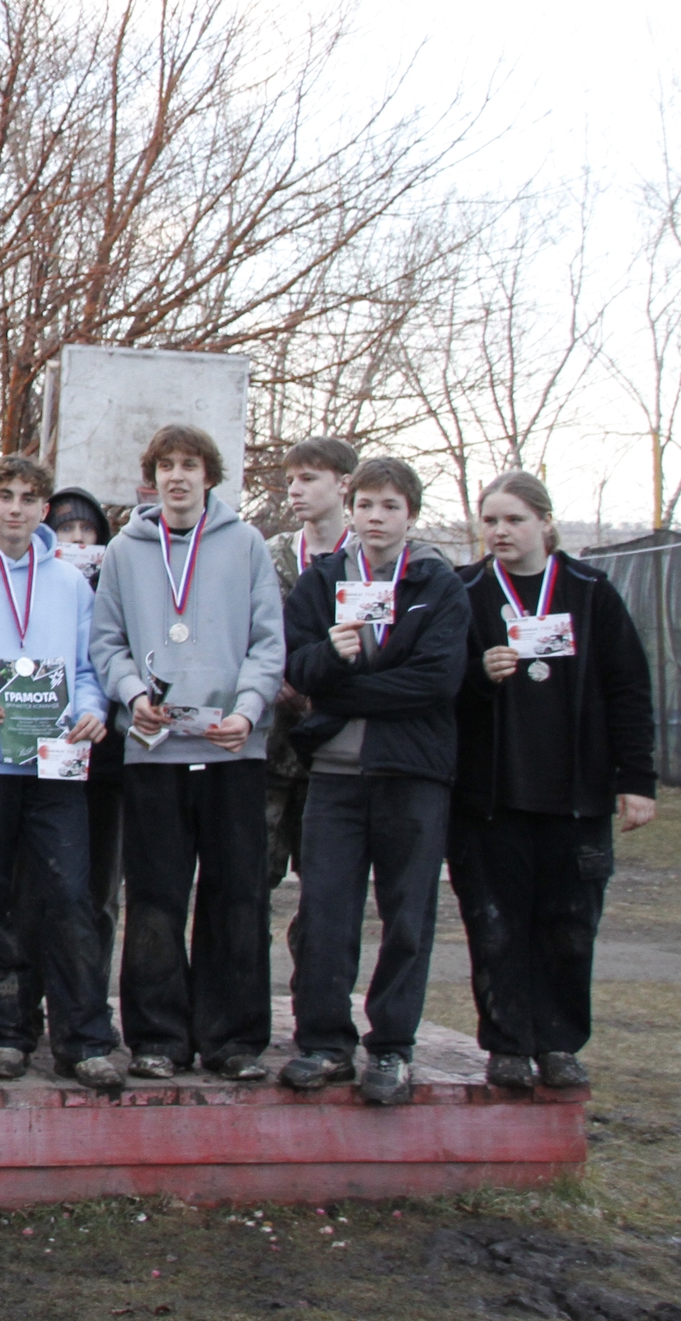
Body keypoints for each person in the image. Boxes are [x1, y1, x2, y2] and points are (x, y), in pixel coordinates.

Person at [451, 471, 658, 1091]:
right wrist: (477, 674)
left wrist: (636, 779)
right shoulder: (466, 591)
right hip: (490, 798)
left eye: (514, 519)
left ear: (545, 522)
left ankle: (560, 1043)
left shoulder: (591, 592)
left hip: (575, 796)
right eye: (490, 520)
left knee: (569, 925)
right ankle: (508, 1044)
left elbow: (628, 688)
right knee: (495, 924)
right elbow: (437, 683)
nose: (500, 531)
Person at [90, 423, 284, 1082]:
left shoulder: (246, 544)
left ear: (210, 476)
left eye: (190, 464)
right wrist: (131, 693)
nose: (177, 476)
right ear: (151, 479)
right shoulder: (124, 550)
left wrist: (247, 710)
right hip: (155, 750)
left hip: (233, 748)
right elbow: (107, 642)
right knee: (155, 898)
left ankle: (234, 1039)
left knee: (237, 896)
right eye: (165, 465)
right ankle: (158, 1037)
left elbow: (268, 642)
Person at [276, 457, 469, 1105]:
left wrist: (344, 692)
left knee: (407, 915)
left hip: (412, 773)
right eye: (366, 504)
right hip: (334, 776)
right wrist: (332, 656)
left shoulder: (437, 583)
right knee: (324, 912)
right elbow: (297, 666)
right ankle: (323, 1042)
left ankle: (391, 1045)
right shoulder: (323, 579)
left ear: (411, 513)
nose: (376, 517)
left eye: (391, 506)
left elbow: (435, 681)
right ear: (350, 508)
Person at [0, 455, 121, 1089]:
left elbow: (89, 669)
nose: (16, 507)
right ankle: (5, 1033)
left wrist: (92, 711)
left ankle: (84, 1038)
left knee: (68, 895)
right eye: (5, 495)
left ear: (44, 509)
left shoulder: (70, 583)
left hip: (55, 758)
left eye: (28, 498)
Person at [266, 437, 358, 896]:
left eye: (308, 478)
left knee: (325, 887)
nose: (295, 490)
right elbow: (246, 629)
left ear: (344, 484)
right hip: (271, 741)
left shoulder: (367, 559)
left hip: (337, 743)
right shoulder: (270, 553)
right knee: (252, 877)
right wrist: (272, 677)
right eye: (290, 481)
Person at [46, 485, 123, 967]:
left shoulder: (119, 587)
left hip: (106, 755)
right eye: (65, 529)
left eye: (86, 530)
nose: (76, 539)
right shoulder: (38, 586)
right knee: (46, 880)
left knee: (100, 881)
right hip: (44, 750)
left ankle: (91, 987)